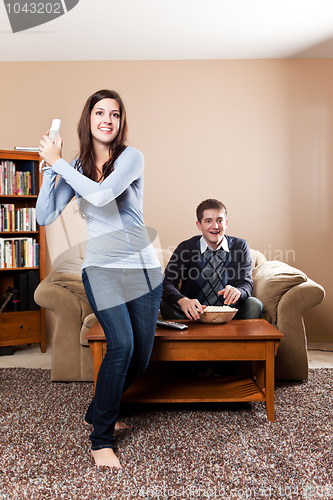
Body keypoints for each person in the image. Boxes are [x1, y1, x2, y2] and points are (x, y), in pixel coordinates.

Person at [36, 89, 162, 468]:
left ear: (121, 122)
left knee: (140, 358)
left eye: (115, 114)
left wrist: (59, 165)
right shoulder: (73, 166)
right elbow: (44, 215)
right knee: (120, 345)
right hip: (102, 269)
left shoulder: (131, 158)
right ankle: (101, 438)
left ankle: (97, 409)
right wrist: (49, 169)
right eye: (99, 112)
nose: (107, 119)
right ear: (88, 119)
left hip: (143, 270)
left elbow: (104, 195)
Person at [161, 198, 263, 321]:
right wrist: (183, 301)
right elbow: (166, 284)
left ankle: (235, 337)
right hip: (195, 312)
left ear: (226, 223)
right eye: (208, 221)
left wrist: (238, 291)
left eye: (219, 220)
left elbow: (246, 284)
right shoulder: (186, 248)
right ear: (199, 225)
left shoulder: (240, 246)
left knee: (254, 305)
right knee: (166, 305)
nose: (215, 226)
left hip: (229, 311)